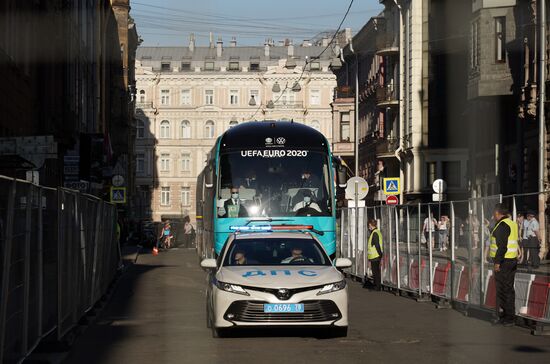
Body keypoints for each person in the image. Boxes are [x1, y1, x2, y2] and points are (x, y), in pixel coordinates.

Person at [490, 204, 519, 327]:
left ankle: (508, 317)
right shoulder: (511, 223)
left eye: (494, 213)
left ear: (497, 213)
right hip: (511, 260)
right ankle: (508, 315)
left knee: (504, 289)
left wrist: (497, 263)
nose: (493, 216)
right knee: (508, 288)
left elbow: (502, 246)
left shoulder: (502, 225)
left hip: (504, 262)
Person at [364, 219, 383, 291]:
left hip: (375, 256)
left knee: (375, 272)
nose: (368, 227)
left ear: (371, 225)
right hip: (376, 255)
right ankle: (377, 285)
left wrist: (380, 254)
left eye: (369, 226)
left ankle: (377, 286)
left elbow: (377, 245)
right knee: (376, 271)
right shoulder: (377, 232)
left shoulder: (374, 233)